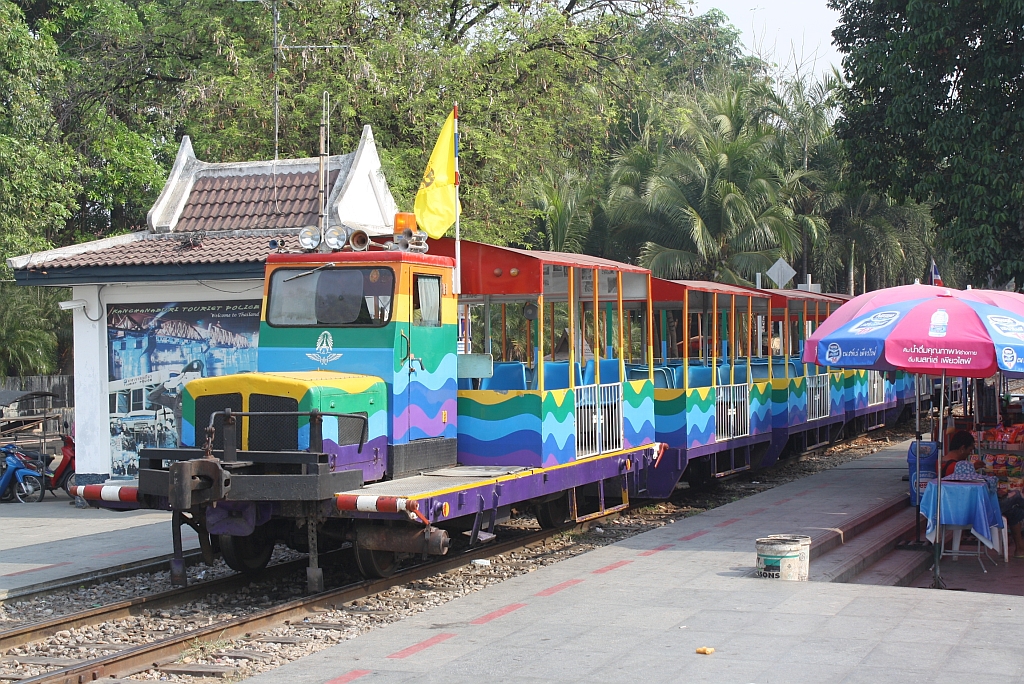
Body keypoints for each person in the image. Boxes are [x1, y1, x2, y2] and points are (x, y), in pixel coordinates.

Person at [942, 430, 1024, 558]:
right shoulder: (959, 468)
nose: (970, 453)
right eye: (970, 449)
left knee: (1015, 510)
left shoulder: (941, 464)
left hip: (950, 509)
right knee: (1017, 496)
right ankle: (1020, 549)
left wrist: (972, 467)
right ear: (962, 448)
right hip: (974, 511)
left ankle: (1020, 550)